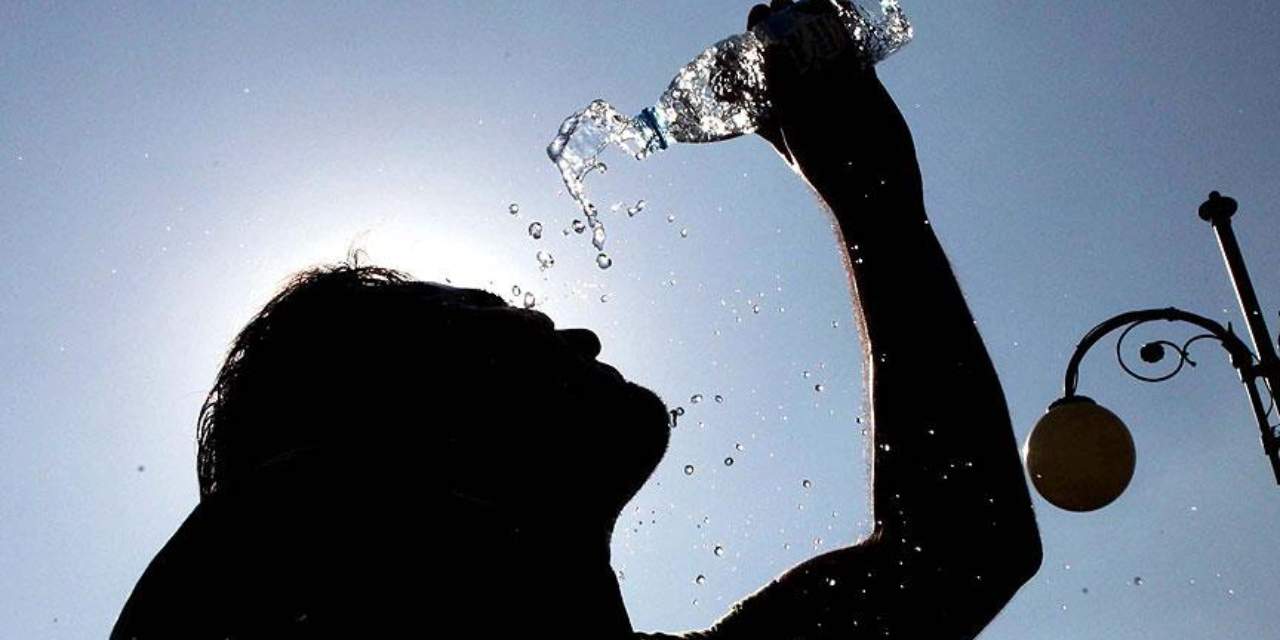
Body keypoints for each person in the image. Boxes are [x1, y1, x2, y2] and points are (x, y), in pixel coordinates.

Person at [111, 1, 1041, 638]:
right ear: (382, 432)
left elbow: (960, 548)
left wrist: (874, 202)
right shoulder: (261, 566)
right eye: (491, 328)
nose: (578, 337)